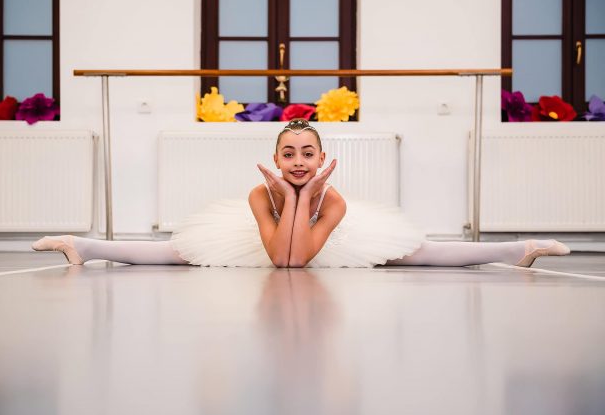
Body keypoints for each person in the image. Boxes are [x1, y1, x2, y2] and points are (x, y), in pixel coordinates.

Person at [33, 119, 570, 268]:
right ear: (276, 160)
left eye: (307, 154)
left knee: (420, 253)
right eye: (288, 154)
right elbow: (281, 259)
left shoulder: (334, 201)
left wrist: (307, 196)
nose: (297, 162)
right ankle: (82, 244)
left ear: (320, 158)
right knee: (173, 253)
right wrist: (289, 199)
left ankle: (519, 248)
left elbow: (299, 259)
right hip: (271, 237)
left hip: (323, 238)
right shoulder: (257, 195)